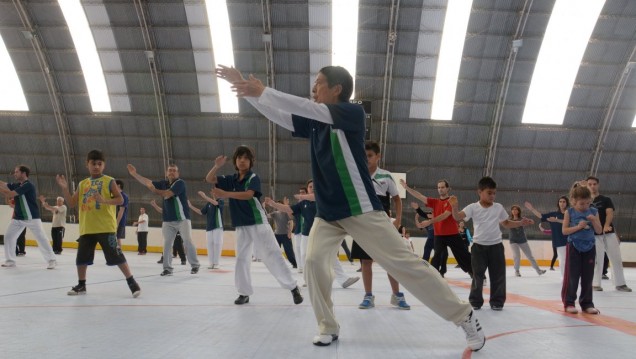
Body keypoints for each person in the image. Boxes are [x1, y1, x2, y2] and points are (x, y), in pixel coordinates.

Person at [216, 64, 484, 351]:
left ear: (336, 89)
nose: (314, 88)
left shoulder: (351, 114)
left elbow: (303, 106)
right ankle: (328, 326)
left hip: (361, 209)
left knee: (405, 265)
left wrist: (263, 91)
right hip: (328, 213)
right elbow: (282, 116)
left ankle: (463, 315)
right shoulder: (316, 121)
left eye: (319, 83)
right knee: (314, 262)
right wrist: (248, 92)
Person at [205, 145, 303, 305]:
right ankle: (244, 293)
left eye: (246, 158)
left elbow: (248, 195)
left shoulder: (253, 177)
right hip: (241, 225)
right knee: (242, 259)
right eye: (239, 158)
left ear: (251, 162)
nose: (242, 161)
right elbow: (209, 179)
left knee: (272, 254)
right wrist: (216, 166)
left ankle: (293, 288)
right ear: (235, 162)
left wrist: (226, 194)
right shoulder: (231, 179)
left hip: (258, 222)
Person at [56, 150, 140, 297]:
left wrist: (104, 200)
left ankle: (132, 282)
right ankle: (81, 285)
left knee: (117, 255)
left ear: (104, 165)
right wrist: (64, 188)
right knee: (81, 258)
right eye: (93, 163)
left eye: (99, 164)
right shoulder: (83, 184)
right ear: (87, 164)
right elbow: (71, 203)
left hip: (105, 227)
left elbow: (120, 200)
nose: (96, 166)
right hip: (87, 228)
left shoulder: (109, 181)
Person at [449, 177, 534, 311]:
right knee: (478, 275)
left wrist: (520, 223)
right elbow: (457, 217)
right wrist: (454, 207)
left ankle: (497, 302)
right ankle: (475, 301)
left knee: (498, 275)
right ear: (480, 192)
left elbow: (506, 223)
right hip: (478, 247)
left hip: (496, 247)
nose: (492, 196)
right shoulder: (473, 207)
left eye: (494, 193)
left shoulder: (498, 207)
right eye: (489, 193)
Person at [350, 140, 410, 310]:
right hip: (363, 224)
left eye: (369, 156)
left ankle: (397, 295)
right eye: (364, 156)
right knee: (366, 262)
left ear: (378, 157)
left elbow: (397, 200)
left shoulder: (386, 176)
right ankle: (368, 295)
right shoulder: (357, 175)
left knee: (391, 261)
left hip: (383, 223)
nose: (366, 159)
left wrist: (398, 220)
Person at [264, 185, 359, 290]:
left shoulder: (322, 199)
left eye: (314, 186)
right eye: (310, 186)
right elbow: (287, 209)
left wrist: (303, 196)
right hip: (306, 234)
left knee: (330, 255)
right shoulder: (303, 203)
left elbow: (317, 197)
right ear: (308, 189)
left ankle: (344, 280)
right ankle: (308, 280)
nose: (312, 187)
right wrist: (273, 203)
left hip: (322, 233)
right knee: (305, 256)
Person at [127, 164, 200, 276]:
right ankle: (167, 268)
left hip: (182, 219)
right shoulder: (163, 183)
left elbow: (167, 194)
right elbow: (147, 182)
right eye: (169, 170)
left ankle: (195, 265)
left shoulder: (180, 183)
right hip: (167, 221)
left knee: (187, 240)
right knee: (167, 244)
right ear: (166, 173)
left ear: (178, 173)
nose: (171, 172)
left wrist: (154, 190)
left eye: (174, 171)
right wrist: (134, 174)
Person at [401, 179, 472, 278]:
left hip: (453, 234)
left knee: (463, 255)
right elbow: (420, 196)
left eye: (442, 187)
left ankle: (474, 272)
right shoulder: (435, 202)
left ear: (447, 188)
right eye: (439, 187)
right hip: (439, 235)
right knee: (437, 256)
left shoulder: (452, 201)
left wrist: (429, 222)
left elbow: (445, 215)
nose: (440, 189)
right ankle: (434, 276)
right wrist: (406, 188)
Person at [1, 165, 56, 269]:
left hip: (32, 218)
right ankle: (10, 261)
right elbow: (4, 185)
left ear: (23, 173)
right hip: (18, 218)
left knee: (41, 238)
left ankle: (51, 260)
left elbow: (9, 193)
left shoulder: (28, 185)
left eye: (16, 172)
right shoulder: (18, 184)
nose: (14, 174)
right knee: (8, 237)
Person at [561, 185, 602, 314]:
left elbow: (599, 230)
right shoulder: (570, 212)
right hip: (574, 246)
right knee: (572, 276)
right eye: (582, 203)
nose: (585, 206)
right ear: (573, 201)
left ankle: (587, 303)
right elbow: (564, 231)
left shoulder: (594, 211)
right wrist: (578, 227)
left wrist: (594, 220)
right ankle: (569, 302)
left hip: (590, 247)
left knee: (588, 277)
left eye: (588, 203)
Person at [587, 176, 632, 292]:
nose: (592, 186)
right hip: (594, 235)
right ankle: (596, 283)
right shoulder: (585, 201)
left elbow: (610, 213)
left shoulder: (606, 199)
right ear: (587, 185)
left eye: (594, 184)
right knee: (597, 259)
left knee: (616, 258)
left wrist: (607, 225)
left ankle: (620, 283)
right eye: (590, 184)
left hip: (609, 233)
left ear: (598, 185)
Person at [525, 197, 569, 275]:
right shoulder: (553, 214)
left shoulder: (569, 213)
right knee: (562, 261)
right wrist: (532, 209)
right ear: (558, 203)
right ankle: (564, 278)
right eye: (560, 201)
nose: (562, 203)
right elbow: (541, 216)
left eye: (564, 202)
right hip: (559, 241)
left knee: (569, 261)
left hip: (570, 240)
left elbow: (570, 223)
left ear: (567, 203)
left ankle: (571, 277)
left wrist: (556, 220)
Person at [189, 191, 225, 269]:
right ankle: (211, 263)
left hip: (218, 226)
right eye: (212, 192)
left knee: (217, 244)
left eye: (215, 192)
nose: (213, 193)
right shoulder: (208, 204)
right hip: (209, 227)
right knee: (210, 245)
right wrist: (190, 206)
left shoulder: (220, 201)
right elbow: (201, 212)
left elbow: (215, 203)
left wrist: (204, 196)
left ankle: (216, 263)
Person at [508, 205, 546, 277]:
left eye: (516, 209)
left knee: (530, 256)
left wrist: (530, 220)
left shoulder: (522, 219)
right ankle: (517, 271)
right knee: (517, 256)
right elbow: (506, 224)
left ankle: (538, 270)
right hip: (513, 240)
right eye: (513, 209)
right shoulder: (509, 220)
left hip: (522, 239)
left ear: (518, 211)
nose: (514, 211)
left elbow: (532, 222)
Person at [149, 199, 186, 264]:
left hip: (177, 228)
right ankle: (164, 258)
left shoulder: (179, 208)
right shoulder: (169, 208)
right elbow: (161, 211)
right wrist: (155, 205)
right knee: (167, 243)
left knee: (178, 244)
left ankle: (183, 259)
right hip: (169, 228)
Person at [266, 198, 297, 269]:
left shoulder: (286, 213)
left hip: (285, 235)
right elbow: (267, 216)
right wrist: (264, 207)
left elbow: (291, 222)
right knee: (275, 250)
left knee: (289, 251)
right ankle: (275, 264)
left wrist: (289, 232)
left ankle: (294, 263)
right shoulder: (275, 214)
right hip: (277, 235)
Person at [291, 186, 306, 272]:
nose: (301, 194)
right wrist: (286, 206)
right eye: (300, 192)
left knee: (304, 250)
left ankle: (304, 266)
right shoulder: (297, 205)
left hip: (306, 230)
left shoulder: (309, 202)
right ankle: (300, 267)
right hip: (298, 230)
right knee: (297, 248)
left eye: (303, 192)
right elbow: (291, 215)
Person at [115, 180, 129, 249]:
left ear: (118, 185)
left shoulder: (124, 196)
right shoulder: (114, 196)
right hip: (113, 220)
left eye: (114, 184)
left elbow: (121, 211)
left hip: (120, 221)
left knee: (118, 238)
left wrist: (116, 223)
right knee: (114, 238)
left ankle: (119, 255)